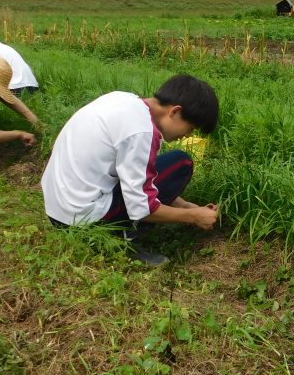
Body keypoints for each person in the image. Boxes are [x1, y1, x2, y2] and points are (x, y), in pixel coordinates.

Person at [41, 74, 219, 266]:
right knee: (180, 164)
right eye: (190, 128)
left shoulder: (122, 100)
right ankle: (122, 238)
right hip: (82, 220)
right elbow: (143, 209)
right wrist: (193, 217)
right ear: (175, 112)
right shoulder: (142, 132)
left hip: (58, 211)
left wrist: (184, 205)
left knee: (164, 166)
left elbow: (133, 176)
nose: (187, 135)